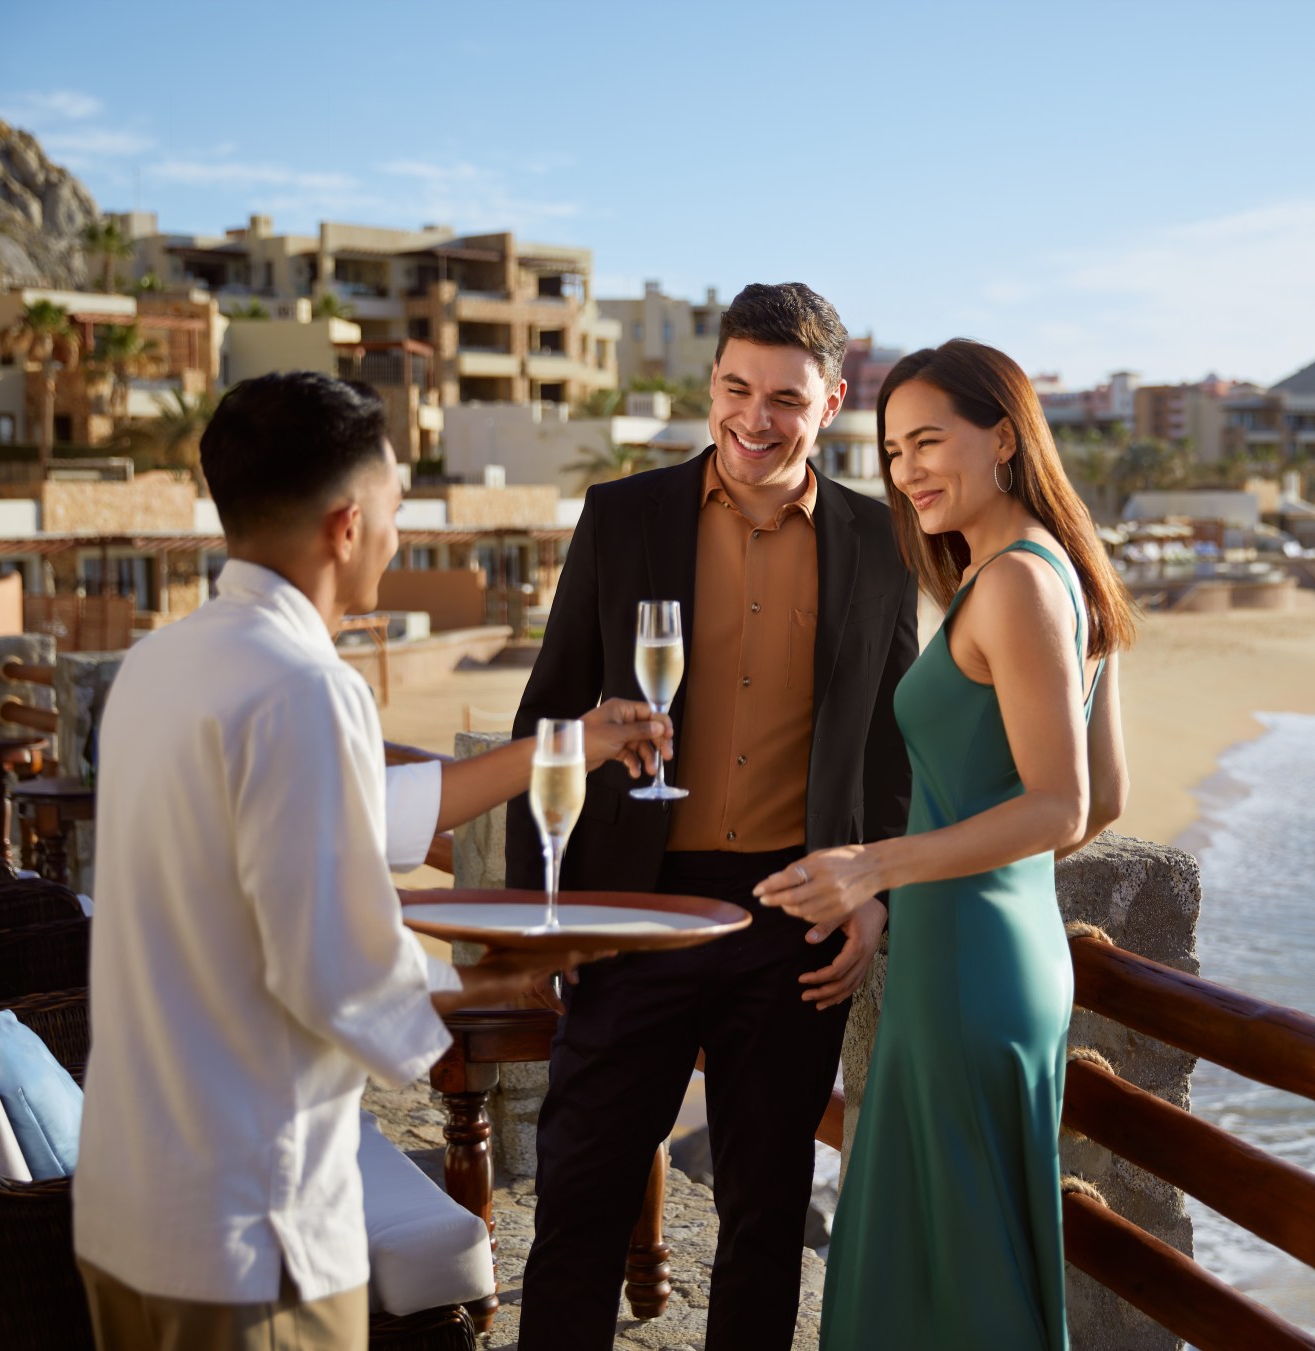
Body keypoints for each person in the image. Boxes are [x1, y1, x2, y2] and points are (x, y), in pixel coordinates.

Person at [73, 372, 664, 1351]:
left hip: (132, 1208)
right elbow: (337, 973)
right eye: (396, 508)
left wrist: (567, 746)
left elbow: (345, 818)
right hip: (250, 1236)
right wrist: (501, 980)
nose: (397, 532)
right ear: (347, 526)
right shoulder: (306, 687)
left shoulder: (160, 664)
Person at [506, 282, 918, 1351]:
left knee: (767, 1214)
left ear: (831, 401)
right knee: (582, 1194)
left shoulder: (882, 544)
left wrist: (877, 897)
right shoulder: (623, 516)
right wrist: (542, 910)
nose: (755, 416)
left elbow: (890, 748)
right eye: (737, 386)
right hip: (631, 906)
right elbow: (548, 710)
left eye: (786, 396)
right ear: (712, 384)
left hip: (792, 917)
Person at [755, 339, 1134, 1350]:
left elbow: (1063, 804)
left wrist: (880, 866)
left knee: (948, 1270)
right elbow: (1105, 800)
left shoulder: (1012, 583)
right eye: (891, 451)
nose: (908, 468)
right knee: (965, 1255)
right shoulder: (1064, 570)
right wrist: (976, 882)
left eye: (930, 440)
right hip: (1006, 955)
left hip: (966, 970)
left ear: (1003, 436)